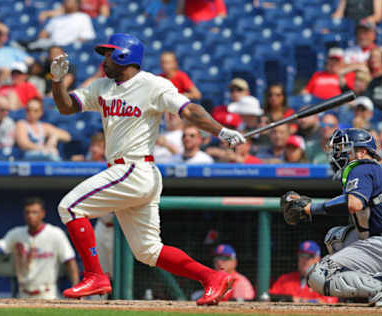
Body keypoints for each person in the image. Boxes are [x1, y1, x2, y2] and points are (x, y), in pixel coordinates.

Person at [50, 33, 245, 305]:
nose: (104, 59)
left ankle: (95, 275)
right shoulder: (102, 87)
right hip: (132, 174)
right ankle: (212, 277)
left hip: (133, 168)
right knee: (148, 251)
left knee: (69, 208)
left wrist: (221, 131)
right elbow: (67, 107)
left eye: (108, 53)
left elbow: (189, 111)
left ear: (123, 55)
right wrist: (57, 82)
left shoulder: (152, 85)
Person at [281, 127, 382, 307]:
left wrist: (312, 208)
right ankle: (371, 287)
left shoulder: (361, 167)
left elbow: (354, 204)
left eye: (344, 148)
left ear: (362, 152)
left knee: (318, 275)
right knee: (336, 238)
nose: (338, 153)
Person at [0, 197, 79, 299]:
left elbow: (70, 261)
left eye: (35, 212)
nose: (31, 216)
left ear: (43, 214)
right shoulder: (16, 234)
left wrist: (75, 288)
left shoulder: (55, 234)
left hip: (48, 294)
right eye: (28, 212)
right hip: (23, 294)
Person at [269, 241, 338, 303]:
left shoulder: (326, 281)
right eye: (302, 256)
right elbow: (270, 297)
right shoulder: (285, 279)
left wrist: (298, 300)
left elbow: (328, 302)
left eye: (310, 256)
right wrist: (289, 299)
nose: (304, 260)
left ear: (318, 260)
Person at [31, 0, 95, 50]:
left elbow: (86, 37)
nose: (65, 2)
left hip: (70, 49)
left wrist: (68, 46)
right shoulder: (57, 18)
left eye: (69, 1)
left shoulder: (83, 17)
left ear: (77, 4)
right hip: (51, 47)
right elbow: (43, 34)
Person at [39, 0, 110, 22]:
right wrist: (47, 13)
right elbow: (63, 10)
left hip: (92, 22)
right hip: (76, 21)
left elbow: (104, 15)